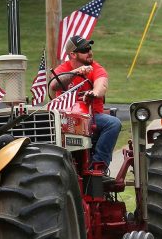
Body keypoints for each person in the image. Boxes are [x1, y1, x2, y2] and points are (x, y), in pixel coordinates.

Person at [48, 35, 122, 173]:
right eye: (84, 49)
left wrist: (94, 93)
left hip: (91, 117)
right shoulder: (63, 69)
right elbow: (54, 84)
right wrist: (75, 73)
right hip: (66, 119)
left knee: (113, 123)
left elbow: (102, 85)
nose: (89, 52)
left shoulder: (96, 68)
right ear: (73, 54)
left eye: (90, 48)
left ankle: (98, 166)